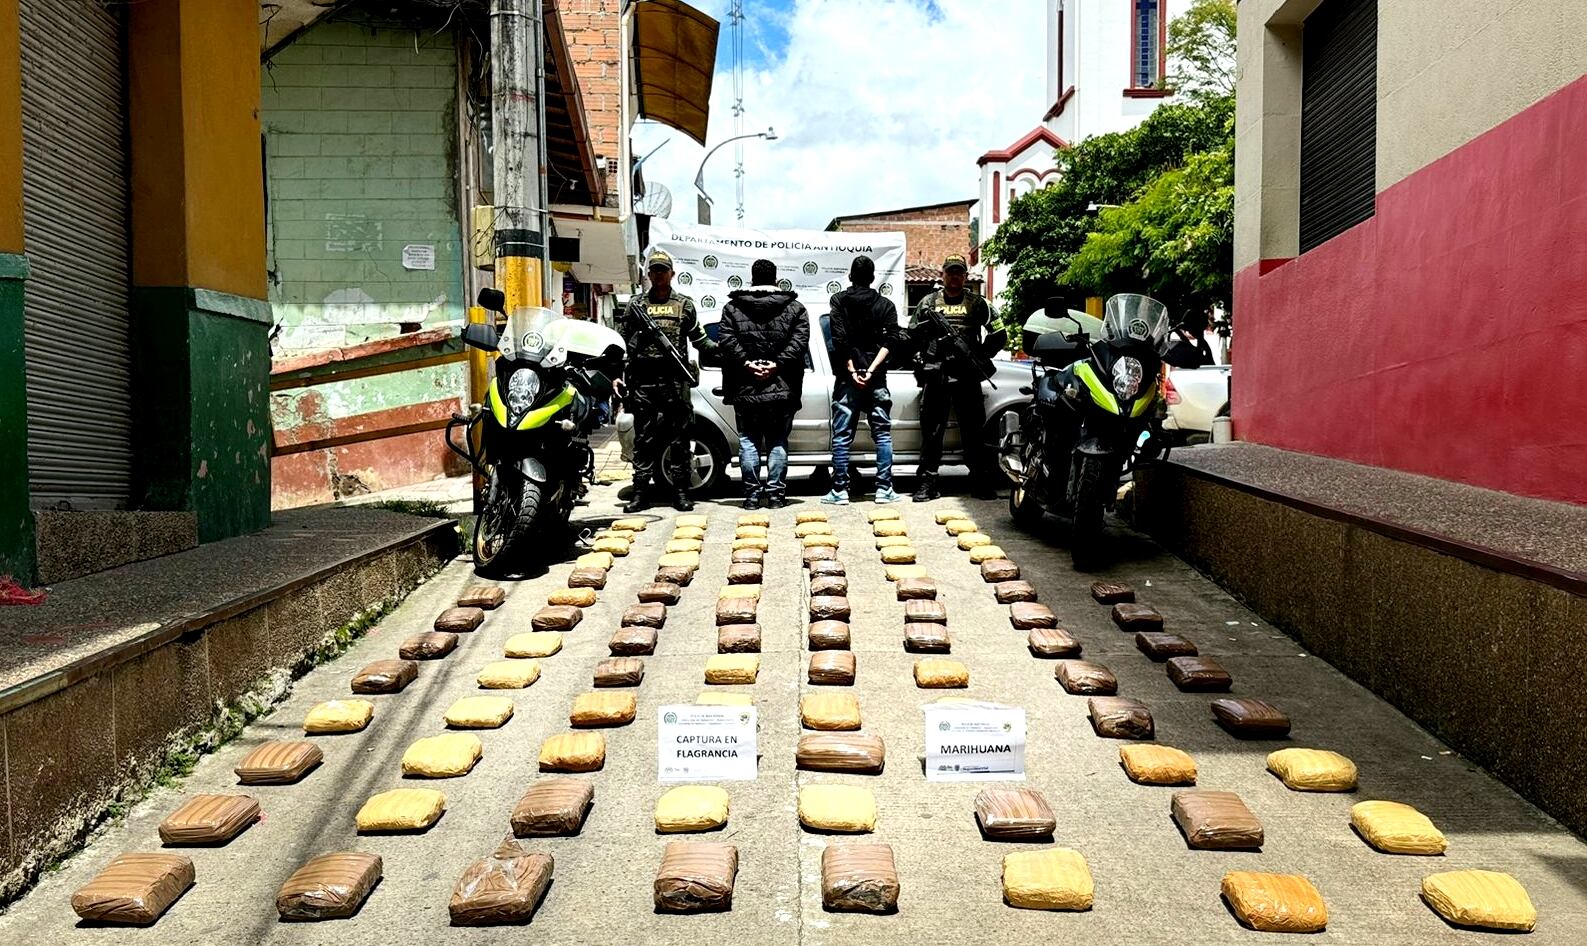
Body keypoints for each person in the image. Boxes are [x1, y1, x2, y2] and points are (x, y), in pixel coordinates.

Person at [618, 249, 716, 513]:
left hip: (675, 382)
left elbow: (700, 340)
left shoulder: (685, 305)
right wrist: (618, 372)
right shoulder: (635, 305)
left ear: (672, 274)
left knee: (680, 440)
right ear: (648, 274)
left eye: (664, 270)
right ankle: (640, 493)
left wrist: (724, 351)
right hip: (643, 382)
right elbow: (622, 342)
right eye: (655, 270)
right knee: (644, 439)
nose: (659, 275)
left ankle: (681, 492)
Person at [908, 253, 1005, 502]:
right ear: (943, 274)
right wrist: (927, 347)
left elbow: (999, 333)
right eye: (950, 271)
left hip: (966, 376)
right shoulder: (928, 303)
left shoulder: (978, 303)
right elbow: (911, 335)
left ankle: (980, 480)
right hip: (937, 375)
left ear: (965, 276)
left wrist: (979, 355)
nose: (954, 276)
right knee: (932, 432)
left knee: (974, 431)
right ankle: (927, 482)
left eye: (959, 272)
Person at [717, 259, 809, 509]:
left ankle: (751, 497)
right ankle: (777, 496)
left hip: (745, 388)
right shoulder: (795, 308)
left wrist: (748, 364)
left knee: (748, 441)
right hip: (782, 388)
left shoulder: (732, 308)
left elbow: (726, 341)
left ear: (752, 278)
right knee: (778, 441)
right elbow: (799, 344)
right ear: (776, 278)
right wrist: (776, 365)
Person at [823, 255, 900, 505]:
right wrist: (871, 369)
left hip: (848, 379)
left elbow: (839, 340)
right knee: (883, 435)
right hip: (876, 379)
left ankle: (840, 491)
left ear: (850, 277)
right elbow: (891, 342)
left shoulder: (838, 301)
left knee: (843, 435)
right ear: (873, 278)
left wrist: (853, 370)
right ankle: (883, 490)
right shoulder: (886, 305)